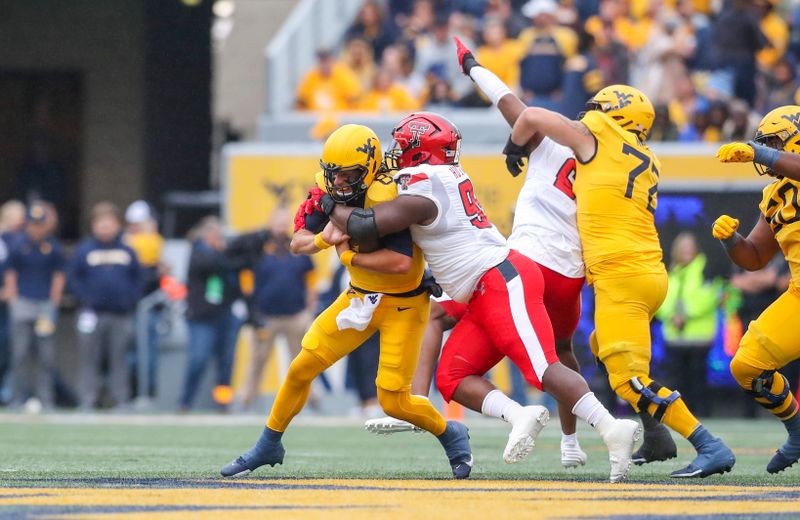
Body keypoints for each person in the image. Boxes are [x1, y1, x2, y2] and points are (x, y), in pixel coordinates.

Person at [325, 112, 641, 483]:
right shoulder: (440, 176)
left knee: (544, 368)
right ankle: (518, 415)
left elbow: (366, 223)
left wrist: (326, 204)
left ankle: (610, 427)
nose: (397, 152)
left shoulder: (426, 183)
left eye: (404, 146)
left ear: (420, 152)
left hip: (501, 278)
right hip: (480, 287)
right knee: (453, 376)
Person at [368, 38, 590, 468]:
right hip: (566, 274)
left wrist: (473, 69)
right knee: (560, 353)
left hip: (520, 264)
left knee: (539, 366)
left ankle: (598, 429)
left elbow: (516, 106)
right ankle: (570, 443)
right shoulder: (609, 170)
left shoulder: (547, 146)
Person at [504, 84, 735, 478]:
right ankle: (657, 434)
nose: (587, 116)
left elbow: (532, 117)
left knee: (628, 380)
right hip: (647, 273)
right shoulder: (646, 155)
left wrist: (514, 146)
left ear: (614, 116)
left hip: (622, 275)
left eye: (598, 110)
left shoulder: (603, 135)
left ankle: (707, 444)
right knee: (600, 346)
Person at [220, 124, 473, 480]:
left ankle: (450, 432)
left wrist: (348, 257)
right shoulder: (330, 189)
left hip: (404, 303)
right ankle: (268, 443)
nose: (339, 182)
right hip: (359, 299)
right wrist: (324, 240)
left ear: (370, 166)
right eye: (334, 174)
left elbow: (400, 264)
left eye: (348, 174)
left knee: (393, 401)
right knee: (301, 366)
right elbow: (298, 242)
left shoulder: (389, 193)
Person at [714, 104, 800, 473]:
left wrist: (761, 153)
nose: (764, 152)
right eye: (763, 145)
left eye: (773, 144)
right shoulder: (775, 195)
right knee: (747, 365)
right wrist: (730, 240)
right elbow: (753, 258)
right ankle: (797, 432)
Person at [234, 207, 316, 410]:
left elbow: (311, 278)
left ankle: (311, 400)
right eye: (278, 223)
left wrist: (310, 307)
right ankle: (246, 401)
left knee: (302, 360)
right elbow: (246, 275)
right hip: (266, 315)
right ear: (270, 223)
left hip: (295, 315)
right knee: (257, 359)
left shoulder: (297, 246)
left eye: (284, 222)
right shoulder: (259, 248)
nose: (281, 227)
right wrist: (250, 303)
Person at [179, 217, 263, 411]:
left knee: (226, 363)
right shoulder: (199, 252)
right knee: (198, 359)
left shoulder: (225, 256)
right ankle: (185, 402)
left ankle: (222, 402)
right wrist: (233, 250)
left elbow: (240, 276)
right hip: (202, 317)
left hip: (225, 315)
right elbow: (214, 264)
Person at [69, 203, 142, 410]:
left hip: (120, 313)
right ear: (93, 225)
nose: (105, 228)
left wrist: (129, 299)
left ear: (118, 225)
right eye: (100, 223)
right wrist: (85, 298)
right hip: (91, 313)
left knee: (119, 359)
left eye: (109, 224)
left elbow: (138, 278)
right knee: (88, 358)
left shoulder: (127, 251)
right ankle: (87, 399)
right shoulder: (84, 250)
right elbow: (73, 278)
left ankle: (121, 399)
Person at [6, 202, 65, 410]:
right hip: (23, 302)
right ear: (27, 224)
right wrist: (13, 298)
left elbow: (59, 275)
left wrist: (54, 300)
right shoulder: (18, 245)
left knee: (45, 355)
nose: (36, 228)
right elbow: (10, 273)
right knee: (19, 353)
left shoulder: (53, 247)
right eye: (33, 224)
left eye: (40, 224)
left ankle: (46, 398)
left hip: (44, 305)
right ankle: (16, 398)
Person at [656, 232, 721, 418]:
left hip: (698, 337)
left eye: (689, 247)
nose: (686, 251)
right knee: (678, 379)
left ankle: (702, 414)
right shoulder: (671, 272)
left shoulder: (705, 268)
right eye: (682, 247)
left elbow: (709, 297)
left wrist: (685, 314)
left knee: (698, 377)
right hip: (675, 338)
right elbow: (661, 299)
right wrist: (672, 315)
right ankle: (680, 416)